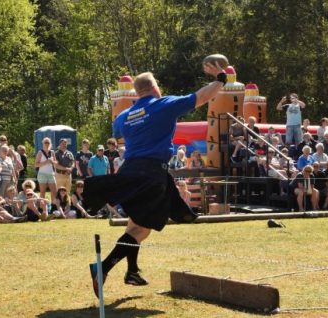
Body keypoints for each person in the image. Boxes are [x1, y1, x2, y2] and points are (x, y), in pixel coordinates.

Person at [84, 61, 225, 295]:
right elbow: (200, 97)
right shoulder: (163, 105)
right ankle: (102, 267)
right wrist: (220, 79)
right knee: (142, 229)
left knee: (135, 223)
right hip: (151, 173)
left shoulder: (124, 116)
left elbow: (117, 132)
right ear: (154, 87)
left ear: (137, 92)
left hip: (130, 170)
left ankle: (132, 271)